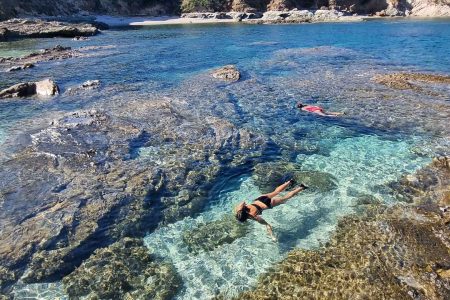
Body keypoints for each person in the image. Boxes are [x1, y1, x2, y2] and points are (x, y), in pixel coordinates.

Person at [234, 180, 308, 241]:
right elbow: (243, 202)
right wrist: (245, 206)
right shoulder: (239, 209)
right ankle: (289, 182)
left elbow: (267, 225)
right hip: (260, 198)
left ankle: (301, 187)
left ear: (246, 218)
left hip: (269, 203)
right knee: (276, 192)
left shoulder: (253, 216)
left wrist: (272, 236)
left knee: (286, 198)